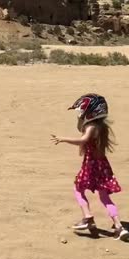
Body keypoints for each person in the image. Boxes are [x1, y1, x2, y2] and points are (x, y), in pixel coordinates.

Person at [51, 94, 128, 241]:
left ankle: (87, 218)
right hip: (103, 165)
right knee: (105, 197)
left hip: (91, 164)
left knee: (78, 189)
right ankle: (119, 227)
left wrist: (63, 139)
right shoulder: (102, 127)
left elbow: (83, 140)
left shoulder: (92, 127)